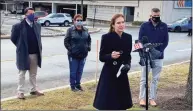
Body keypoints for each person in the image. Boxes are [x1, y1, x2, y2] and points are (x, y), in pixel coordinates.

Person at [93, 14, 133, 110]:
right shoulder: (106, 37)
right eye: (118, 23)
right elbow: (102, 57)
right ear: (113, 25)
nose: (121, 25)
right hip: (109, 72)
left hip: (121, 72)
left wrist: (128, 65)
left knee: (121, 102)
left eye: (123, 22)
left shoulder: (128, 37)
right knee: (107, 102)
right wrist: (110, 56)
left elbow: (128, 56)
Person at [11, 7, 44, 99]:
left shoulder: (37, 25)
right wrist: (21, 47)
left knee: (33, 74)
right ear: (25, 15)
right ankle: (20, 92)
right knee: (22, 74)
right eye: (30, 14)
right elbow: (13, 39)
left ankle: (34, 90)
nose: (32, 15)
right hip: (24, 54)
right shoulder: (18, 26)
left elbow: (38, 38)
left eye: (33, 13)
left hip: (35, 54)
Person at [138, 8, 169, 107]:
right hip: (147, 55)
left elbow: (166, 41)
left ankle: (152, 98)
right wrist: (145, 51)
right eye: (154, 16)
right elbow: (140, 40)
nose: (156, 18)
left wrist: (159, 52)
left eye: (158, 16)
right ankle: (142, 98)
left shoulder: (163, 26)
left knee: (155, 79)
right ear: (150, 16)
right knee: (144, 78)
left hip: (159, 56)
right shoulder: (144, 26)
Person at [64, 14, 91, 92]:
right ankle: (73, 86)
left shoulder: (86, 30)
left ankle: (78, 84)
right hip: (73, 55)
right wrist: (71, 50)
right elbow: (66, 41)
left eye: (81, 20)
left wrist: (88, 47)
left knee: (80, 71)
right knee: (73, 71)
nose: (79, 22)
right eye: (77, 20)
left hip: (83, 54)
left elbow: (88, 39)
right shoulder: (70, 30)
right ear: (74, 21)